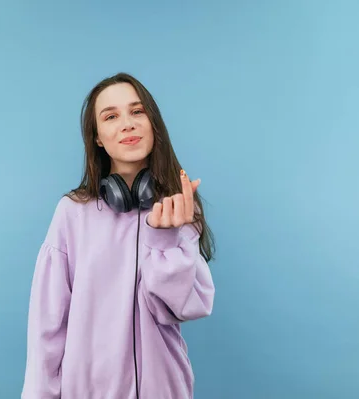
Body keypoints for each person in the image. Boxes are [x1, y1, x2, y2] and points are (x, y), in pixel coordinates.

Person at [20, 72, 216, 399]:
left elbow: (183, 308)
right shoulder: (72, 213)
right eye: (111, 116)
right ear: (98, 137)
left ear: (153, 123)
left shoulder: (179, 209)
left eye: (137, 112)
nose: (127, 124)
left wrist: (166, 239)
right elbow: (46, 328)